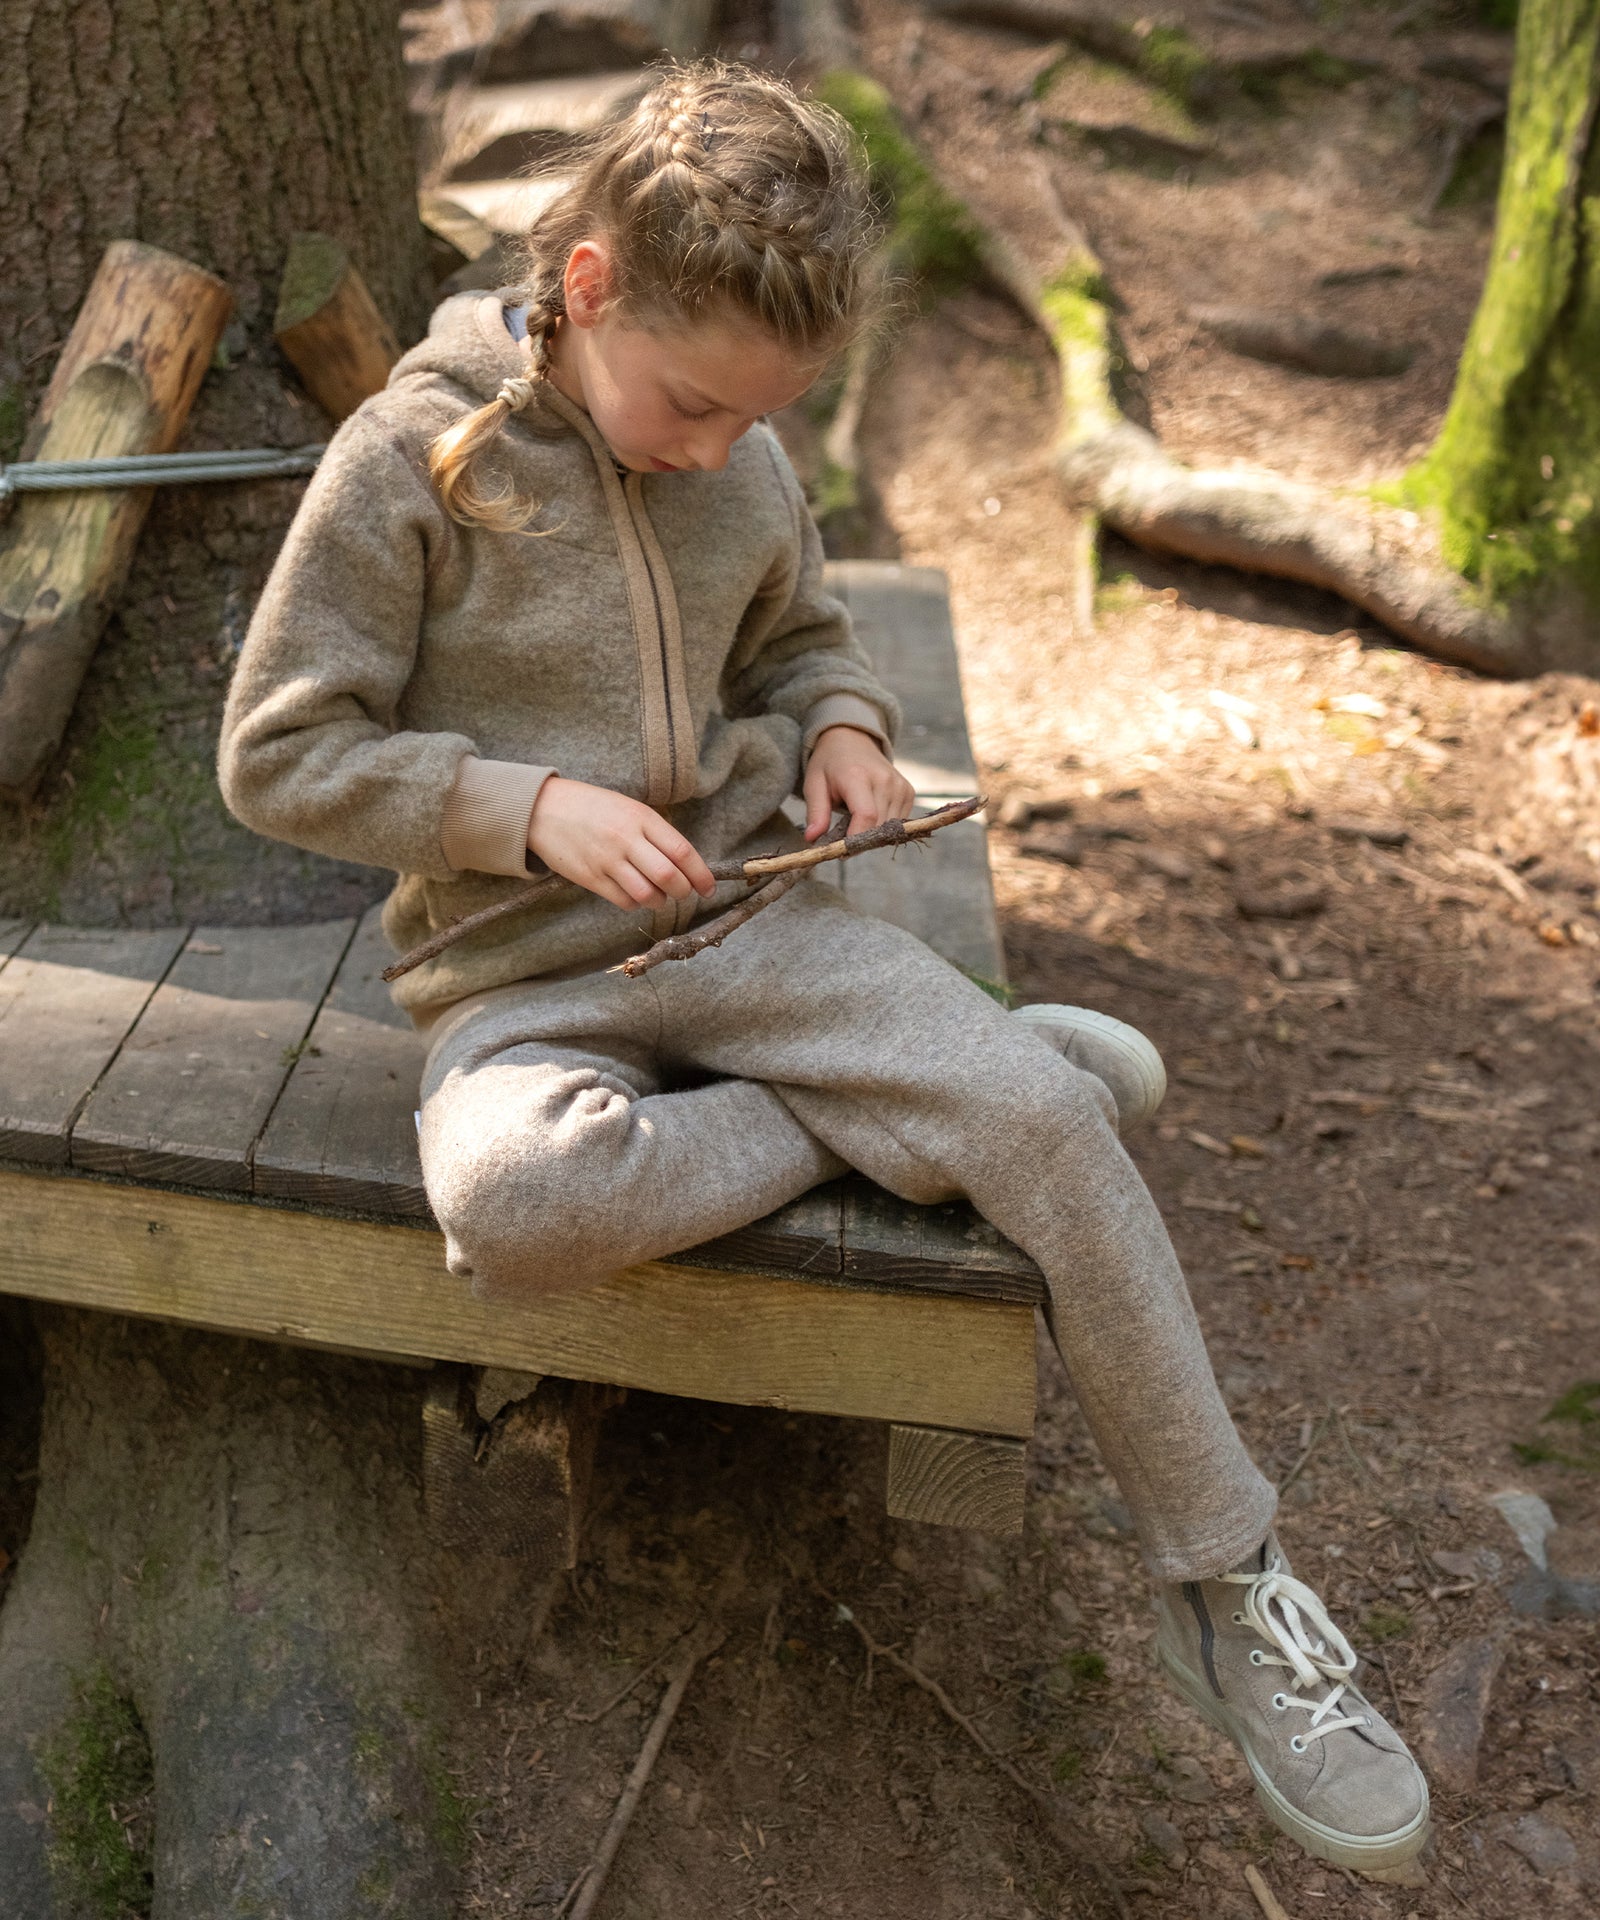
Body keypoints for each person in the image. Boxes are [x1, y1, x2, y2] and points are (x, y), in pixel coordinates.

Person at [218, 60, 1430, 1878]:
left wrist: (846, 723)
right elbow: (277, 752)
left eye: (754, 423)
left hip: (760, 919)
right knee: (513, 1204)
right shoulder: (411, 456)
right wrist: (514, 804)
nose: (717, 450)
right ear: (598, 284)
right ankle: (897, 1106)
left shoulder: (746, 449)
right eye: (693, 405)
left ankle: (1233, 1584)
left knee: (1044, 1130)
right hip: (521, 975)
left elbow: (805, 638)